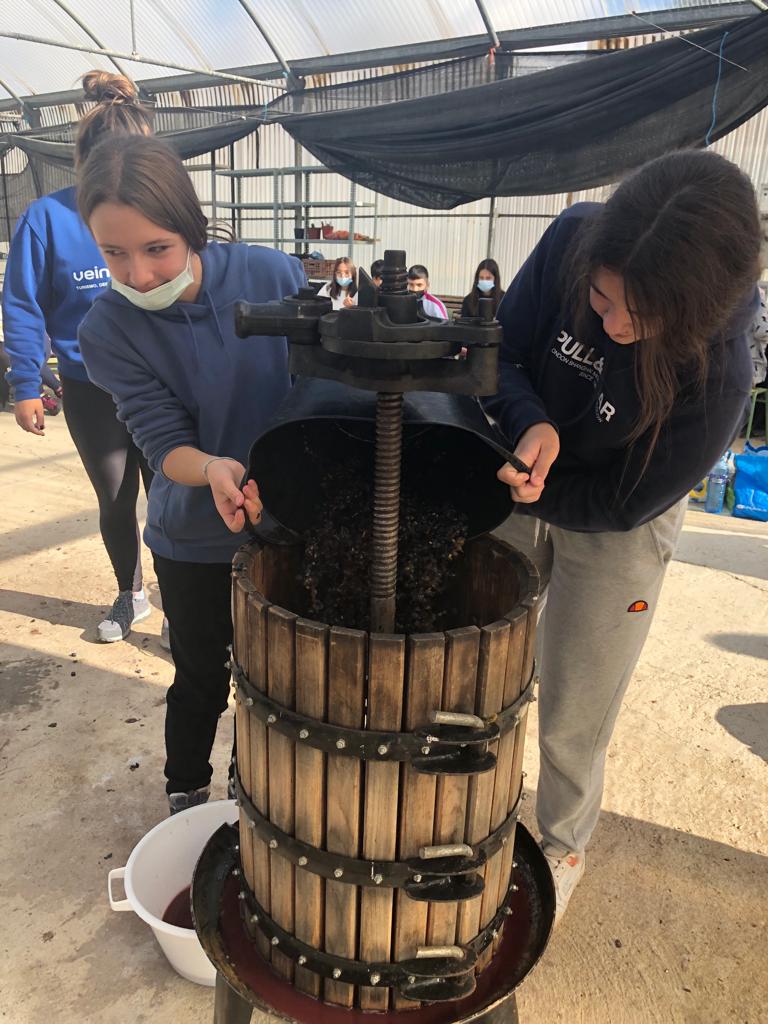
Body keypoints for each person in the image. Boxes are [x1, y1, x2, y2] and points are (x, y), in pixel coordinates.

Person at [483, 149, 761, 922]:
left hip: (620, 514)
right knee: (478, 660)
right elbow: (500, 350)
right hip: (520, 464)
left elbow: (622, 502)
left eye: (640, 319)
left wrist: (549, 491)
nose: (611, 326)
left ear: (695, 314)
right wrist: (529, 421)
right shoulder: (573, 238)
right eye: (602, 300)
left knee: (577, 703)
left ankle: (562, 844)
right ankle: (471, 804)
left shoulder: (723, 373)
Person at [76, 134, 305, 813]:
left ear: (191, 227)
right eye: (114, 254)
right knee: (200, 673)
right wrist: (212, 469)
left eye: (157, 248)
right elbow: (160, 437)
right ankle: (185, 788)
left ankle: (248, 782)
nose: (140, 275)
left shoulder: (272, 276)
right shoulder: (106, 329)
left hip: (289, 521)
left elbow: (318, 385)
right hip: (194, 535)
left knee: (276, 681)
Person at [1, 71, 164, 645]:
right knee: (116, 497)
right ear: (87, 160)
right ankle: (131, 593)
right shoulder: (47, 218)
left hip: (164, 382)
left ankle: (180, 604)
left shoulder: (162, 212)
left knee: (171, 494)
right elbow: (23, 303)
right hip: (91, 387)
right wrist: (26, 383)